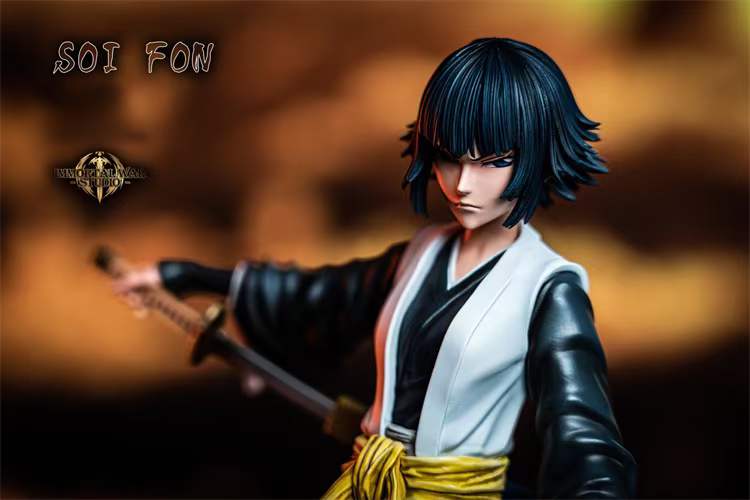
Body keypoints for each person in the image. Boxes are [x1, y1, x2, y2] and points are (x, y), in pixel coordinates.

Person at [113, 38, 637, 498]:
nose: (462, 184)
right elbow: (322, 298)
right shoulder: (420, 254)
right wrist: (191, 277)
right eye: (450, 157)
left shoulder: (547, 287)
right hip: (369, 486)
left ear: (538, 155)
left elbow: (580, 427)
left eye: (494, 161)